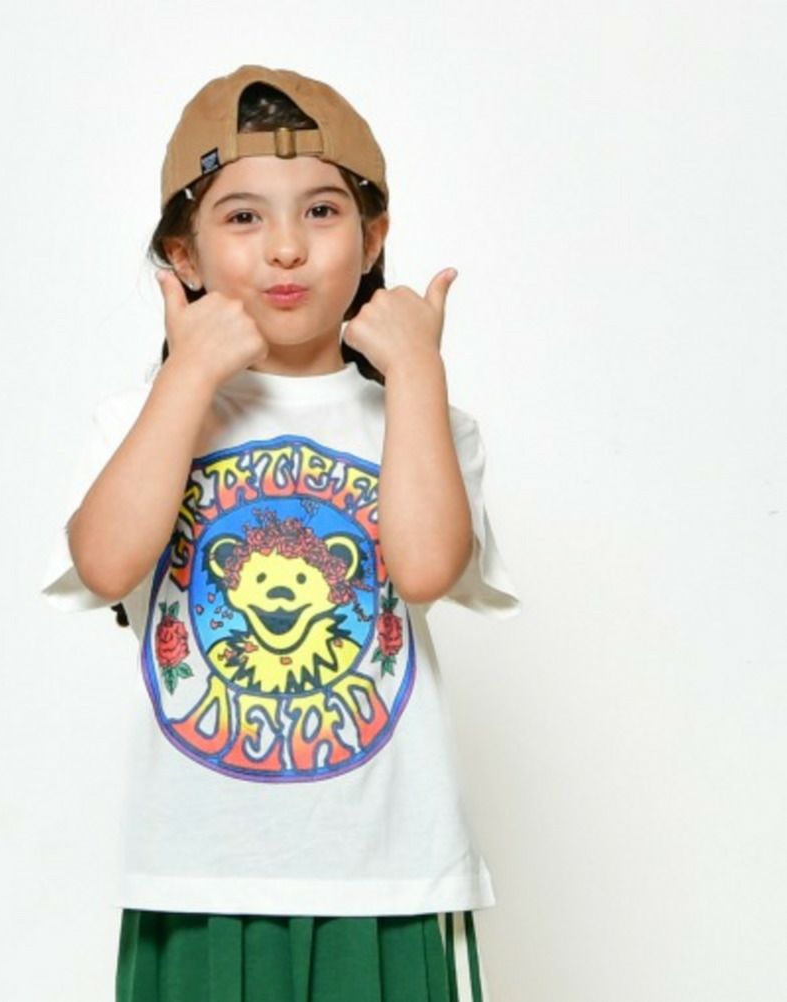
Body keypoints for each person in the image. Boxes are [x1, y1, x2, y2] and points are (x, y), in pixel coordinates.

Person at [40, 64, 522, 1002]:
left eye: (323, 212)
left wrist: (417, 374)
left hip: (389, 880)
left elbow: (426, 569)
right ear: (182, 256)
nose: (287, 249)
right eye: (243, 217)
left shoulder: (421, 420)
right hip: (197, 881)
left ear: (373, 239)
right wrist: (189, 376)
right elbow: (103, 563)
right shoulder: (143, 422)